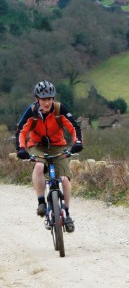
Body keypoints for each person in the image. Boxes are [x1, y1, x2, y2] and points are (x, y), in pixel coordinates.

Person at [15, 80, 83, 233]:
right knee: (39, 166)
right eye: (44, 99)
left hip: (58, 146)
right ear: (37, 99)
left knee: (64, 179)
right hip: (37, 146)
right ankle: (41, 203)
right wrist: (21, 149)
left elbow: (74, 127)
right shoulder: (31, 112)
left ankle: (67, 213)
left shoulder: (59, 109)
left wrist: (77, 143)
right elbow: (21, 131)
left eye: (50, 98)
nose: (47, 102)